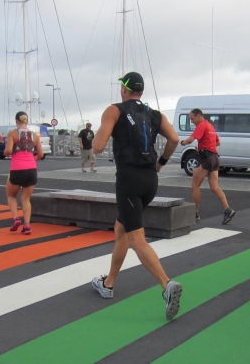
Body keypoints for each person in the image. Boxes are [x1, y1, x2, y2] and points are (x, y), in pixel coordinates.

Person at [90, 71, 183, 321]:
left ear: (124, 89)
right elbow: (174, 139)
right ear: (140, 91)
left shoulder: (114, 110)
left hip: (129, 180)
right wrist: (161, 162)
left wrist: (98, 134)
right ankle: (108, 283)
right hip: (150, 180)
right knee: (121, 229)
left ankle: (166, 285)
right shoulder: (155, 114)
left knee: (136, 239)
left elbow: (97, 146)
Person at [180, 108, 236, 224]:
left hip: (206, 158)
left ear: (199, 116)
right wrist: (206, 145)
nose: (192, 121)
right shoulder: (210, 126)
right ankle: (227, 209)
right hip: (214, 158)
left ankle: (195, 213)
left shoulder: (201, 125)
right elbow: (218, 142)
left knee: (195, 185)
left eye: (192, 119)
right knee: (214, 187)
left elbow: (190, 140)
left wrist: (182, 142)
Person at [4, 111, 44, 235]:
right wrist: (32, 159)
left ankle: (16, 218)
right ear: (27, 121)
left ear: (16, 121)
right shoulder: (35, 136)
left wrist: (6, 151)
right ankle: (27, 225)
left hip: (17, 169)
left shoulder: (12, 134)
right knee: (26, 199)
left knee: (11, 196)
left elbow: (8, 151)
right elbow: (41, 154)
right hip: (31, 169)